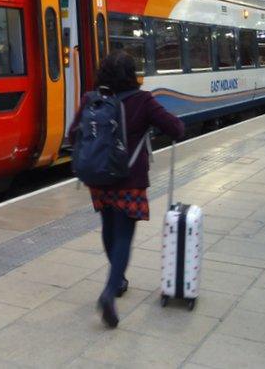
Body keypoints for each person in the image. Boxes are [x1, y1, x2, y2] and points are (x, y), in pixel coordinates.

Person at [69, 50, 184, 328]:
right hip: (129, 179)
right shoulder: (143, 101)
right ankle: (110, 291)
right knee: (123, 234)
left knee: (108, 226)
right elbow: (177, 129)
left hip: (98, 178)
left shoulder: (91, 99)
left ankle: (118, 281)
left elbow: (73, 134)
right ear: (132, 74)